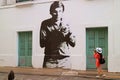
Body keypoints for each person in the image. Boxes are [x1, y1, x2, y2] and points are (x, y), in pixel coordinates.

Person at [40, 1, 76, 68]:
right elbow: (42, 44)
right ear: (50, 12)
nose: (57, 14)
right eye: (55, 11)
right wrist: (56, 35)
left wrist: (68, 34)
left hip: (65, 60)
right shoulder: (45, 24)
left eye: (60, 11)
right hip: (50, 60)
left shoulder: (67, 23)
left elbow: (73, 44)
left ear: (62, 12)